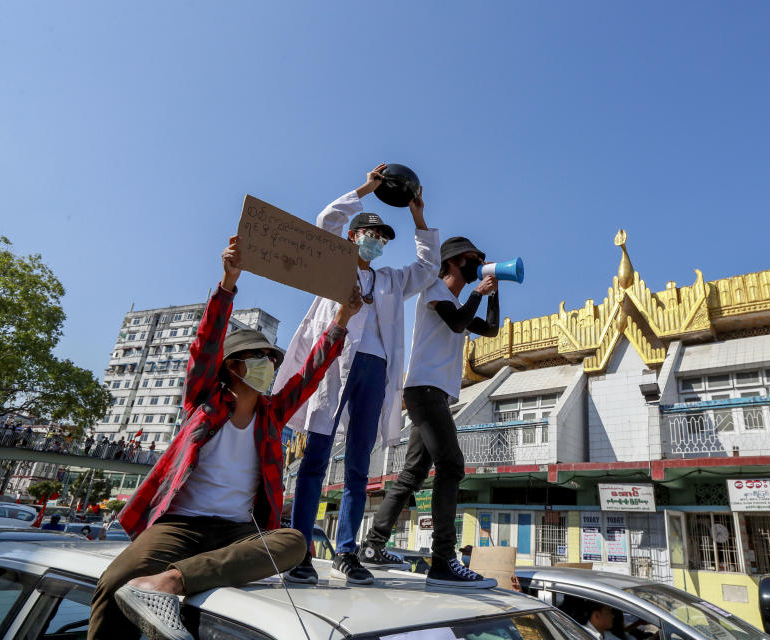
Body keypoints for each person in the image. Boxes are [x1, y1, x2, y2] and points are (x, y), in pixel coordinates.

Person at [89, 236, 363, 640]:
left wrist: (343, 317)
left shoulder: (272, 415)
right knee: (114, 582)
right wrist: (228, 282)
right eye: (259, 358)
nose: (270, 364)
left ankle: (169, 583)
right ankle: (154, 589)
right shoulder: (204, 402)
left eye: (272, 359)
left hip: (239, 532)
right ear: (232, 367)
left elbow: (310, 374)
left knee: (293, 542)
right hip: (182, 525)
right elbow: (205, 344)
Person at [280, 164, 440, 586]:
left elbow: (427, 269)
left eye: (384, 238)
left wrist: (418, 218)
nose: (378, 242)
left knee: (356, 466)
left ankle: (347, 551)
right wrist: (368, 189)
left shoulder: (389, 279)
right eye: (371, 234)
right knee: (315, 458)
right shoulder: (331, 264)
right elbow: (325, 221)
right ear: (354, 237)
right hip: (333, 366)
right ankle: (300, 549)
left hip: (375, 369)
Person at [358, 236, 500, 587]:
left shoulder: (455, 299)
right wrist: (478, 294)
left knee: (413, 473)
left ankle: (373, 546)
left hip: (433, 394)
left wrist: (494, 294)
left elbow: (491, 329)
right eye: (471, 258)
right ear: (452, 262)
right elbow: (456, 322)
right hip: (424, 391)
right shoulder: (435, 289)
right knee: (451, 466)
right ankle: (443, 560)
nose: (476, 262)